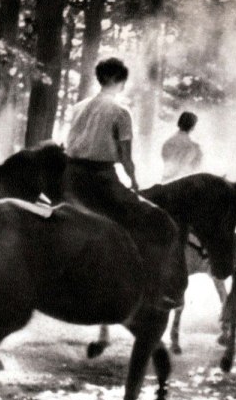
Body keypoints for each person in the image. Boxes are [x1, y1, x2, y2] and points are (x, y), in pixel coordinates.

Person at [65, 57, 186, 308]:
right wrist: (134, 182)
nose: (123, 84)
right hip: (100, 180)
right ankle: (153, 290)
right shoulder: (120, 112)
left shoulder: (78, 107)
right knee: (158, 221)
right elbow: (125, 157)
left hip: (70, 178)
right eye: (122, 79)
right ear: (115, 79)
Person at [161, 111, 202, 182]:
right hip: (183, 183)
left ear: (179, 123)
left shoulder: (167, 143)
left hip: (166, 181)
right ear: (193, 127)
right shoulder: (193, 147)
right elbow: (195, 168)